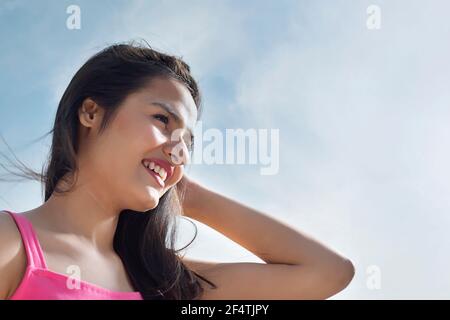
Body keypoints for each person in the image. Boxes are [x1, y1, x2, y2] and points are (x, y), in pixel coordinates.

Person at [0, 41, 354, 300]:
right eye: (162, 119)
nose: (179, 150)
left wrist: (187, 195)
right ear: (90, 113)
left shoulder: (168, 282)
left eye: (187, 141)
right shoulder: (11, 243)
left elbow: (327, 273)